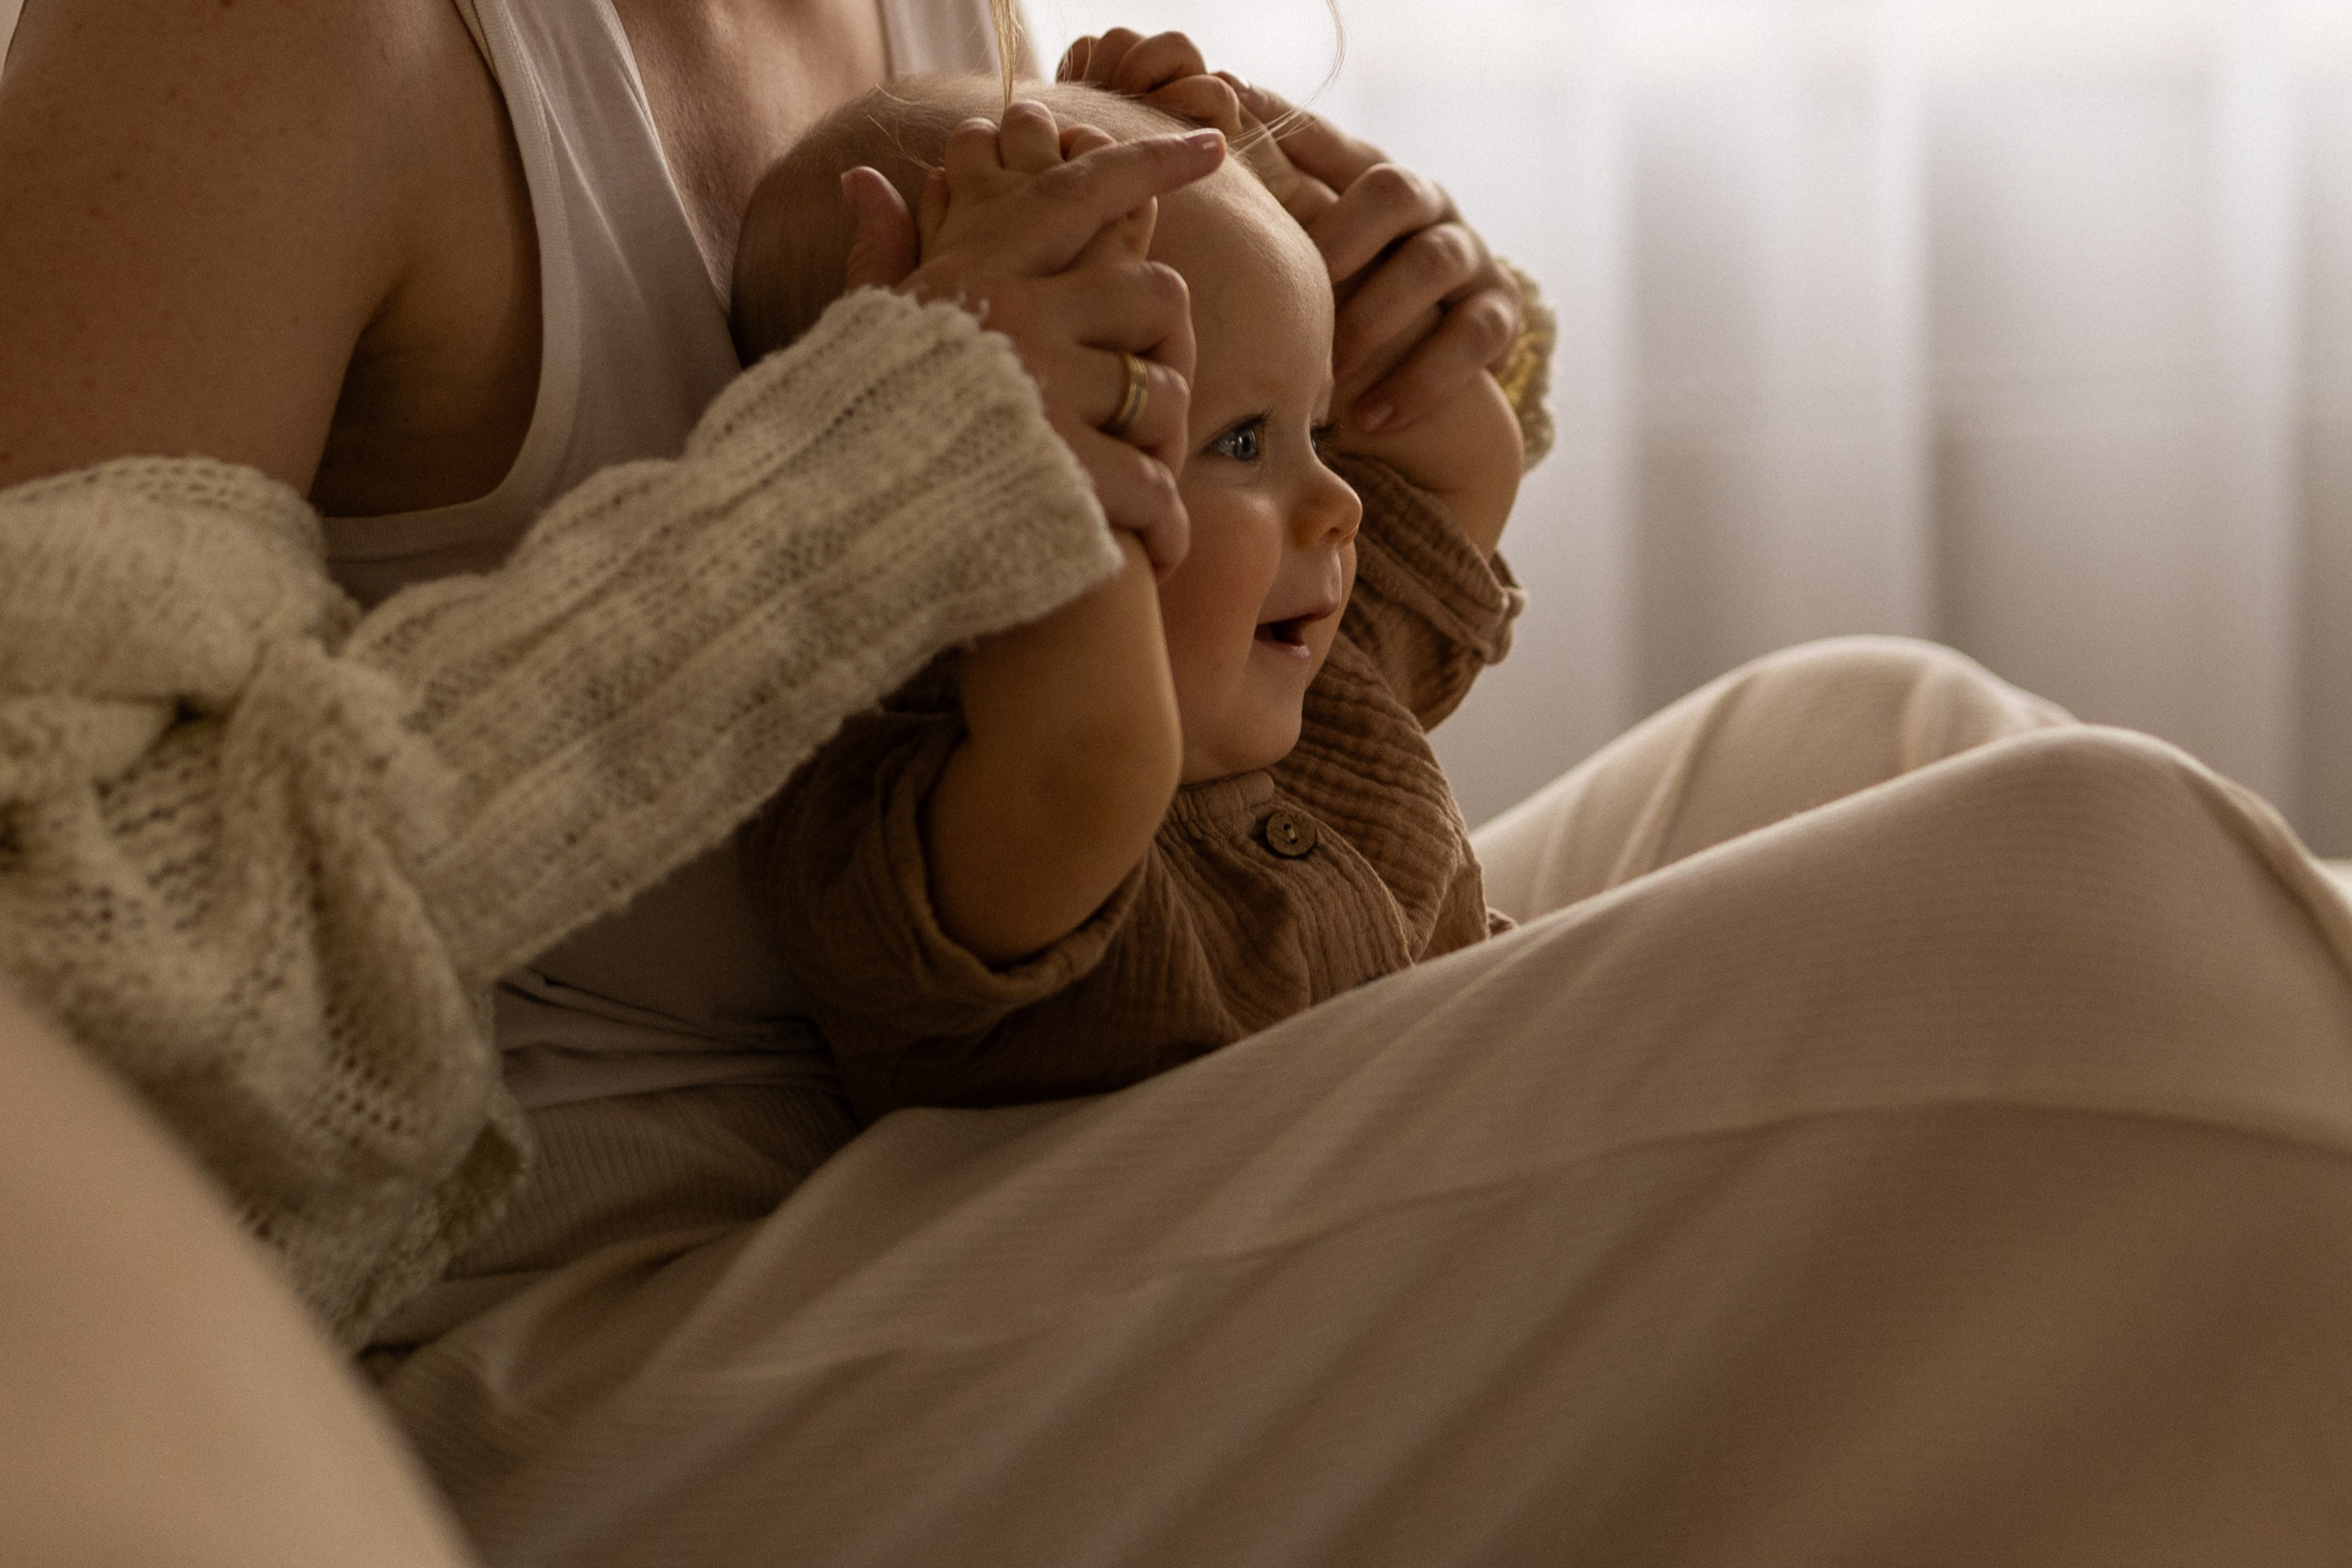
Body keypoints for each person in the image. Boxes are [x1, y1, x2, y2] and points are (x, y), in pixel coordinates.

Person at [6, 9, 2352, 1568]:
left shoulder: (913, 23)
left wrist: (1359, 406)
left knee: (1876, 735)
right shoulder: (267, 45)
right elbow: (71, 978)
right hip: (574, 1356)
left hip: (980, 1138)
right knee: (2091, 921)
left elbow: (1057, 798)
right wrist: (853, 499)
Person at [734, 74, 1529, 1115]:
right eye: (1243, 441)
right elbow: (1091, 763)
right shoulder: (909, 816)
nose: (1340, 502)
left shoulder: (1317, 688)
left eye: (1319, 431)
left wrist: (1307, 223)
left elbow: (1463, 474)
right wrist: (1021, 440)